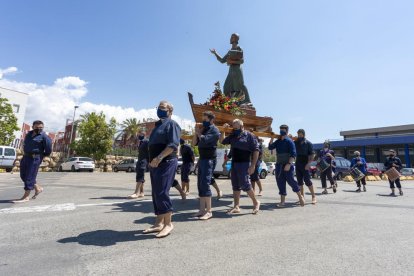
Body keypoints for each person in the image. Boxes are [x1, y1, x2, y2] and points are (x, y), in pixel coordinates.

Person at [143, 101, 181, 238]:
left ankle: (168, 224)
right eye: (158, 108)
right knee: (155, 193)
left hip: (166, 162)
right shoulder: (157, 126)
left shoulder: (172, 124)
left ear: (170, 111)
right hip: (155, 164)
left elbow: (173, 145)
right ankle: (158, 224)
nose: (159, 110)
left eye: (162, 108)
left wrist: (158, 158)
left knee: (162, 192)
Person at [220, 119, 260, 214]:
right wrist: (222, 131)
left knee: (245, 184)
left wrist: (253, 165)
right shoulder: (233, 135)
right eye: (234, 128)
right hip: (235, 163)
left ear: (242, 126)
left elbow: (256, 150)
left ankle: (256, 202)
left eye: (237, 128)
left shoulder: (249, 136)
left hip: (245, 163)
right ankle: (236, 206)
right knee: (235, 185)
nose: (235, 129)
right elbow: (222, 141)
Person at [13, 120, 52, 203]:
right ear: (33, 127)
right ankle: (38, 188)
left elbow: (48, 150)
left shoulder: (44, 136)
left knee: (30, 177)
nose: (39, 129)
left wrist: (40, 156)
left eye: (41, 128)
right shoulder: (29, 134)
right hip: (26, 157)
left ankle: (26, 197)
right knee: (23, 175)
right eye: (37, 127)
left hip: (35, 158)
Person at [192, 111, 220, 220]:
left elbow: (205, 139)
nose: (203, 121)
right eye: (203, 119)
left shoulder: (214, 130)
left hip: (209, 160)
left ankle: (209, 211)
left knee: (206, 183)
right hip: (202, 159)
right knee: (200, 184)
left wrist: (199, 133)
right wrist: (196, 132)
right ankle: (201, 210)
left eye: (205, 119)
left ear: (211, 120)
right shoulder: (203, 129)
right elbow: (194, 143)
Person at [210, 33, 252, 106]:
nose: (230, 38)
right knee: (226, 87)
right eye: (231, 37)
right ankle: (229, 103)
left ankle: (247, 100)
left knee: (240, 85)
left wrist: (232, 61)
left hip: (237, 70)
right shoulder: (230, 51)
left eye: (232, 37)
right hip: (231, 71)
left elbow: (242, 61)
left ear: (236, 39)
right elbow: (222, 60)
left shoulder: (239, 48)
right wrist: (215, 53)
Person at [269, 125, 305, 207]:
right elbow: (270, 147)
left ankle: (300, 196)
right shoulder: (278, 141)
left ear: (287, 131)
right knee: (280, 183)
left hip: (288, 165)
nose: (281, 131)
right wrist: (272, 138)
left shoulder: (289, 141)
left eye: (283, 130)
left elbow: (293, 154)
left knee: (291, 181)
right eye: (280, 130)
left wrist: (289, 164)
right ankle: (282, 202)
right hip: (279, 165)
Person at [294, 129, 317, 204]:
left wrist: (308, 164)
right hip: (298, 163)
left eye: (300, 134)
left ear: (303, 134)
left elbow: (312, 154)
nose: (299, 135)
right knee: (299, 182)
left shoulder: (308, 143)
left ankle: (313, 196)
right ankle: (302, 197)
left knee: (307, 181)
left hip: (305, 163)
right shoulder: (296, 142)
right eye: (298, 134)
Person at [127, 131, 149, 199]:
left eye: (140, 133)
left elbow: (150, 151)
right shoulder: (140, 142)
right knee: (140, 176)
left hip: (144, 161)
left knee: (140, 176)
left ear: (144, 134)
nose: (139, 135)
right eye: (139, 133)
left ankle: (136, 193)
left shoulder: (147, 141)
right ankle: (142, 192)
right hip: (140, 160)